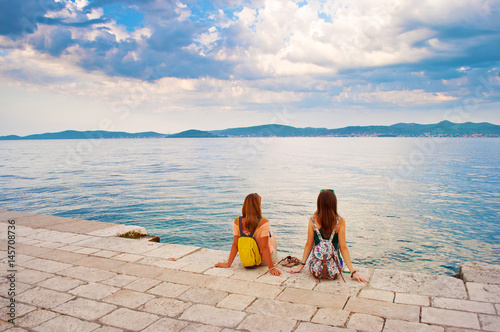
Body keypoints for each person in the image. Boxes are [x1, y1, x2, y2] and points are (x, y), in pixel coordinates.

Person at [290, 189, 367, 282]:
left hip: (316, 268)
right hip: (335, 269)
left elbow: (308, 245)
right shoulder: (340, 222)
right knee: (340, 259)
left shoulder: (312, 220)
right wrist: (353, 272)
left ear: (319, 203)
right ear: (334, 203)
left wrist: (302, 265)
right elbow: (343, 247)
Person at [215, 193, 281, 276]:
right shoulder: (264, 222)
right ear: (258, 206)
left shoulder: (237, 221)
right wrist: (272, 268)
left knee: (268, 237)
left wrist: (228, 264)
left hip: (247, 259)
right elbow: (264, 247)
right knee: (272, 238)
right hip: (262, 260)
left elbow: (235, 245)